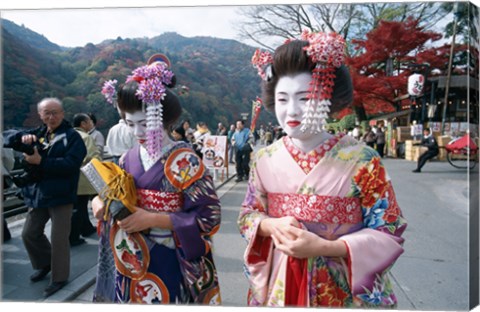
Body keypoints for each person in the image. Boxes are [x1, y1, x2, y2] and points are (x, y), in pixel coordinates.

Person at [239, 31, 407, 308]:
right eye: (282, 99)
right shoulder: (264, 159)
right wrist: (269, 224)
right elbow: (247, 215)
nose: (291, 111)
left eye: (304, 98)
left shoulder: (363, 159)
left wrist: (325, 247)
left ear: (327, 98)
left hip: (340, 284)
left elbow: (388, 228)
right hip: (279, 282)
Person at [92, 56, 221, 304]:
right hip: (129, 255)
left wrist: (153, 219)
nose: (137, 133)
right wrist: (100, 204)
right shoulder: (126, 159)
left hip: (169, 254)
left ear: (163, 118)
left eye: (144, 124)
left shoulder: (186, 161)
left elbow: (210, 216)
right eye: (130, 124)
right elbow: (114, 195)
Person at [3, 97, 86, 297]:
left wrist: (42, 161)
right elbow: (6, 136)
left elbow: (71, 165)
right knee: (29, 233)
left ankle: (59, 277)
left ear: (63, 114)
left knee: (59, 238)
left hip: (62, 194)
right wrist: (22, 138)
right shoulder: (38, 133)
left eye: (55, 112)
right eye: (47, 112)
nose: (52, 116)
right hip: (38, 194)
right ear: (40, 115)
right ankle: (45, 263)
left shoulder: (72, 136)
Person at [69, 113, 101, 246]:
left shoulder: (68, 135)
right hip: (81, 177)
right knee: (80, 208)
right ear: (83, 124)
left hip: (68, 177)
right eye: (89, 122)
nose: (91, 124)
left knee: (77, 206)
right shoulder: (85, 137)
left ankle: (86, 229)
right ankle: (73, 237)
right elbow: (93, 157)